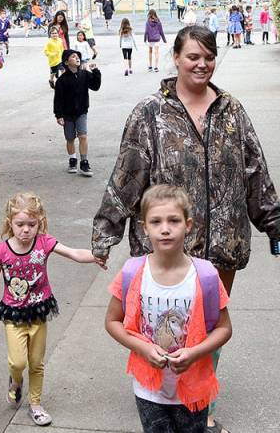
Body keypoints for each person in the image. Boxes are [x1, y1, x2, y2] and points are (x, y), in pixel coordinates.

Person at [91, 25, 280, 433]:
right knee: (166, 325)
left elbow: (256, 173)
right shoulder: (150, 113)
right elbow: (126, 176)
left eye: (208, 56)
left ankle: (200, 402)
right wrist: (105, 232)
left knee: (206, 325)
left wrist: (278, 229)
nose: (201, 64)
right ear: (176, 58)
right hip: (167, 249)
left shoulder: (232, 110)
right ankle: (161, 396)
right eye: (193, 56)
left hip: (224, 244)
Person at [105, 185, 233, 433]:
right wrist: (142, 347)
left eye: (173, 220)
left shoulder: (205, 275)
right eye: (156, 221)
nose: (165, 228)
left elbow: (224, 328)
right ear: (145, 227)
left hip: (194, 386)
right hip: (148, 390)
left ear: (188, 224)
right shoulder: (133, 272)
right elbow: (112, 321)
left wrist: (195, 353)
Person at [0, 192, 105, 427]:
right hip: (14, 313)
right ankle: (16, 380)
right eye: (20, 224)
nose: (26, 230)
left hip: (39, 311)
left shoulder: (44, 242)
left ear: (40, 222)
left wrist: (96, 256)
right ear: (10, 222)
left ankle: (36, 404)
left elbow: (73, 253)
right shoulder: (1, 251)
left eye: (32, 224)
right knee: (18, 362)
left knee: (37, 362)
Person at [54, 49, 101, 177]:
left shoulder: (84, 75)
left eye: (77, 57)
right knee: (70, 139)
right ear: (66, 62)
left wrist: (96, 71)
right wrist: (59, 115)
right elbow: (57, 100)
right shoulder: (62, 80)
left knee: (83, 136)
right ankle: (73, 159)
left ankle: (84, 162)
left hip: (81, 112)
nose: (77, 58)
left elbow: (95, 86)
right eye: (73, 57)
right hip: (67, 114)